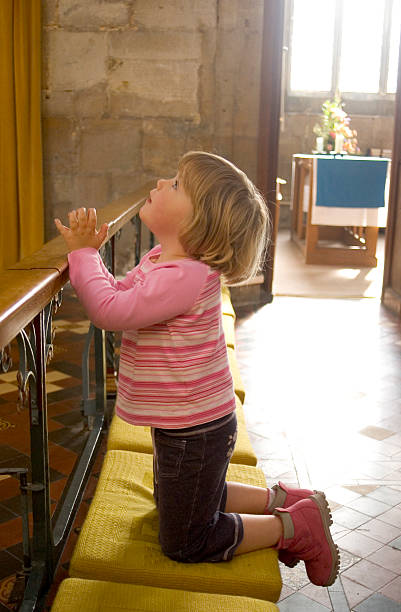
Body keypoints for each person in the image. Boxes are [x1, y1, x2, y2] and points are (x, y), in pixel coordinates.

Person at [55, 150, 339, 588]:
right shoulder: (162, 261)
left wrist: (82, 257)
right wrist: (92, 256)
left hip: (195, 427)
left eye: (175, 186)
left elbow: (108, 309)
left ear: (198, 223)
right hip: (190, 421)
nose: (161, 183)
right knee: (188, 498)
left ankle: (295, 526)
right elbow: (122, 296)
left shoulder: (184, 276)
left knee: (187, 538)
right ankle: (284, 500)